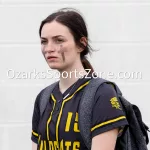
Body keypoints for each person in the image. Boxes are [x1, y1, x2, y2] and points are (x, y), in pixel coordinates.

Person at [31, 8, 128, 150]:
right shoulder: (44, 98)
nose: (49, 48)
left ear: (81, 44)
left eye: (59, 40)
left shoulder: (102, 94)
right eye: (44, 41)